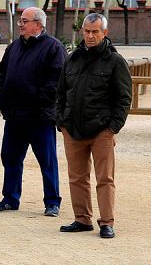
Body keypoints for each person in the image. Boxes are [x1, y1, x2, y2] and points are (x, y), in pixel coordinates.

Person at [56, 13, 132, 239]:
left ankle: (106, 222)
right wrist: (61, 122)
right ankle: (82, 219)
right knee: (76, 177)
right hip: (73, 128)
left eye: (95, 32)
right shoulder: (72, 58)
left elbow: (124, 98)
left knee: (105, 178)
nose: (90, 36)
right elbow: (60, 92)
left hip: (102, 130)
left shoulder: (115, 61)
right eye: (87, 31)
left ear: (105, 33)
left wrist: (112, 128)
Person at [0, 7, 66, 216]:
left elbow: (55, 82)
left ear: (38, 25)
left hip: (39, 117)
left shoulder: (54, 48)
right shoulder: (13, 47)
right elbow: (2, 76)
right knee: (10, 158)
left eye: (24, 21)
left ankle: (52, 201)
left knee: (47, 161)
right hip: (14, 117)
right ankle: (10, 198)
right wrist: (2, 98)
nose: (20, 24)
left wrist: (39, 104)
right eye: (20, 21)